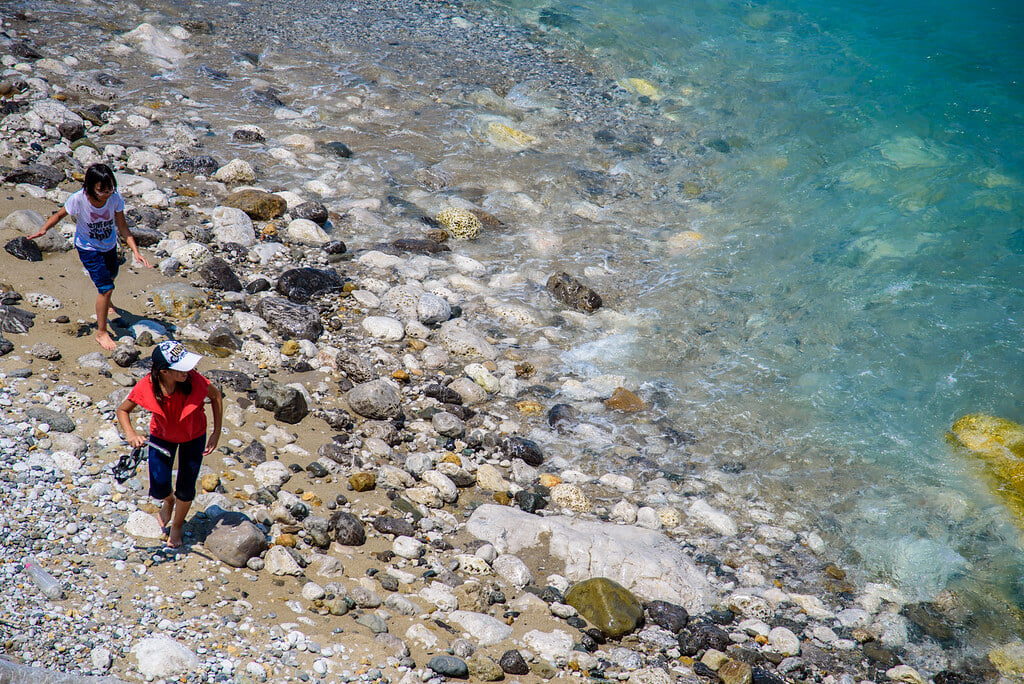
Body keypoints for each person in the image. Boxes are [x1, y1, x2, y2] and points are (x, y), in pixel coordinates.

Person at [26, 163, 151, 350]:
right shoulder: (78, 199)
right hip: (88, 248)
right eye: (102, 190)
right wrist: (44, 229)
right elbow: (60, 215)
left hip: (108, 245)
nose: (107, 193)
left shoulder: (114, 198)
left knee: (112, 276)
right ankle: (101, 333)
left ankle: (107, 302)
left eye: (110, 188)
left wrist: (135, 251)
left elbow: (123, 226)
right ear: (90, 187)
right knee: (106, 288)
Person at [116, 341, 223, 548]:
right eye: (182, 368)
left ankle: (177, 526)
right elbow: (123, 410)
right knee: (158, 485)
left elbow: (216, 396)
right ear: (164, 371)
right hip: (162, 437)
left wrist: (216, 434)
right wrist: (131, 434)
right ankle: (168, 501)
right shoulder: (147, 385)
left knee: (186, 488)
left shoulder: (194, 380)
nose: (189, 370)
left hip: (194, 436)